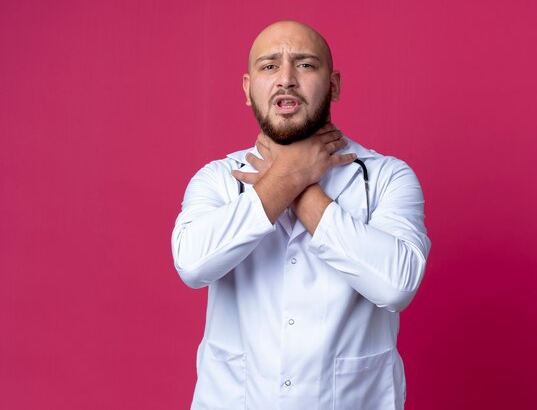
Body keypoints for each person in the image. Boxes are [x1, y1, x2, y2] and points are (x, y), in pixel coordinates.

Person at [171, 21, 431, 410]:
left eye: (306, 65)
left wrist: (297, 186)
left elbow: (396, 284)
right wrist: (283, 179)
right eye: (269, 66)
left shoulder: (386, 177)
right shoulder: (218, 179)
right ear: (248, 89)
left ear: (334, 85)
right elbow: (192, 264)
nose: (286, 79)